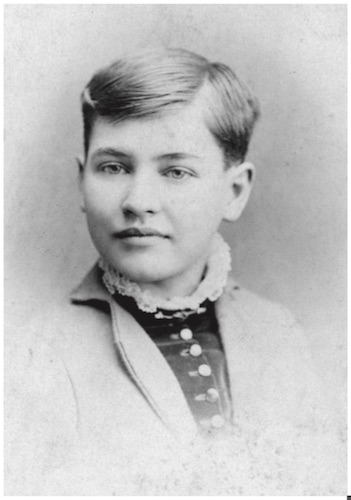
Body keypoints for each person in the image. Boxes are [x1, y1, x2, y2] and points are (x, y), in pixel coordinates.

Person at [5, 48, 342, 495]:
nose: (137, 200)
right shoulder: (36, 357)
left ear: (234, 191)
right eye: (113, 167)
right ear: (81, 181)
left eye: (176, 171)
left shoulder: (278, 333)